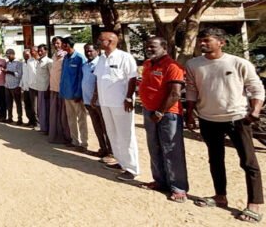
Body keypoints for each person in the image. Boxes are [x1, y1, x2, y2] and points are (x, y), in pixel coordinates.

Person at [186, 27, 265, 222]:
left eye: (207, 40)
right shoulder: (193, 64)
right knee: (215, 159)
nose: (202, 43)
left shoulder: (238, 63)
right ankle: (220, 196)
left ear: (221, 42)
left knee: (248, 162)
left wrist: (254, 111)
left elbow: (256, 88)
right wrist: (189, 113)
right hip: (208, 119)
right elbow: (191, 90)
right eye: (200, 40)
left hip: (237, 119)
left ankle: (254, 203)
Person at [137, 37, 188, 203]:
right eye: (147, 46)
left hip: (167, 114)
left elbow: (175, 93)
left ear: (164, 47)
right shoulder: (147, 64)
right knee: (154, 147)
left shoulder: (173, 66)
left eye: (152, 46)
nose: (149, 49)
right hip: (149, 111)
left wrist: (160, 112)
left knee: (172, 150)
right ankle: (160, 181)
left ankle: (178, 188)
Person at [92, 32, 139, 181]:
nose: (98, 41)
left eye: (101, 39)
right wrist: (96, 96)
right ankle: (120, 162)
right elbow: (99, 78)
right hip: (106, 103)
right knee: (113, 134)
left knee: (126, 135)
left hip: (121, 103)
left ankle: (132, 169)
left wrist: (128, 98)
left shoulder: (125, 57)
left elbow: (133, 79)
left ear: (111, 41)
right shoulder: (101, 58)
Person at [81, 44, 113, 162]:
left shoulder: (101, 64)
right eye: (86, 51)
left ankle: (111, 152)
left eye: (90, 51)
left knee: (105, 127)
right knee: (97, 127)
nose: (88, 53)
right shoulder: (85, 65)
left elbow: (99, 82)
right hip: (88, 101)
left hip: (100, 102)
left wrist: (95, 97)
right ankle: (103, 148)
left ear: (97, 51)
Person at [59, 37, 88, 151]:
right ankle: (75, 141)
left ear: (66, 45)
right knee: (71, 119)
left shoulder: (80, 58)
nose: (61, 47)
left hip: (76, 95)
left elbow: (82, 77)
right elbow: (63, 77)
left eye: (62, 44)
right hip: (66, 94)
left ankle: (84, 143)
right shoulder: (65, 58)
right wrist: (62, 92)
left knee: (81, 119)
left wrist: (78, 93)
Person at [48, 37, 71, 145]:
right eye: (54, 43)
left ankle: (67, 137)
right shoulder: (53, 55)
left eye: (58, 43)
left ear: (62, 44)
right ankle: (56, 135)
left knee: (64, 115)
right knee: (55, 114)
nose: (56, 45)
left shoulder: (66, 55)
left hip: (62, 89)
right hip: (54, 88)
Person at [33, 45, 53, 134]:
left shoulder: (49, 62)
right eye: (39, 51)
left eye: (41, 51)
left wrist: (48, 89)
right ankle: (43, 127)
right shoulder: (38, 61)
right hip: (39, 88)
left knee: (46, 110)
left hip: (46, 89)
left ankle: (47, 129)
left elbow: (52, 76)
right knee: (41, 110)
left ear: (46, 51)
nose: (40, 52)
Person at [4, 49, 23, 125]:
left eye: (9, 54)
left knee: (18, 103)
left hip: (15, 86)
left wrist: (8, 71)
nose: (8, 56)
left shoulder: (18, 63)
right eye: (7, 55)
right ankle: (10, 118)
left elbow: (19, 75)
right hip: (7, 86)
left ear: (13, 54)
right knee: (9, 103)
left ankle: (19, 119)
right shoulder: (7, 63)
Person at [20, 48, 38, 127]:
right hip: (25, 88)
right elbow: (23, 75)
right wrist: (21, 86)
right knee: (26, 105)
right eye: (24, 54)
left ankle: (36, 123)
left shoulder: (34, 62)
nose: (26, 55)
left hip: (32, 87)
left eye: (27, 54)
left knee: (34, 106)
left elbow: (35, 74)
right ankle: (30, 120)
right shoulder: (24, 63)